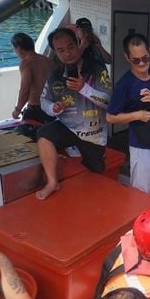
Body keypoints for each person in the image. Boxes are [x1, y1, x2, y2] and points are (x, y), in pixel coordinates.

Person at [37, 27, 112, 200]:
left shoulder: (96, 69)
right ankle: (52, 182)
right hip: (67, 126)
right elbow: (43, 101)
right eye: (61, 50)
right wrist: (52, 107)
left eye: (71, 47)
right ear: (55, 52)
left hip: (93, 134)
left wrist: (83, 88)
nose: (68, 53)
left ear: (79, 44)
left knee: (96, 172)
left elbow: (108, 101)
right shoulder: (54, 75)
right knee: (44, 134)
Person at [106, 33, 150, 200]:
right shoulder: (124, 85)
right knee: (140, 196)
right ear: (127, 58)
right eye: (136, 60)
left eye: (145, 58)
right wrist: (137, 115)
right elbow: (110, 117)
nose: (142, 63)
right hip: (141, 148)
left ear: (149, 52)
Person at [11, 32, 54, 123]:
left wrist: (17, 110)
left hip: (36, 109)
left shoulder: (26, 63)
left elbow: (25, 90)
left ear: (19, 48)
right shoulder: (48, 61)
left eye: (14, 49)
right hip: (51, 107)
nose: (15, 52)